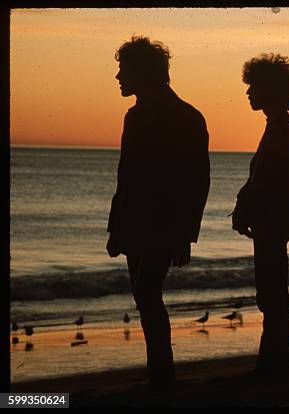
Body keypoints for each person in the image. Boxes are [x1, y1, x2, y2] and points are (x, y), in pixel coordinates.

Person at [106, 36, 210, 388]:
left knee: (147, 292)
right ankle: (159, 370)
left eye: (124, 71)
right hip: (138, 221)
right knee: (144, 294)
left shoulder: (184, 116)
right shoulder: (137, 115)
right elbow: (127, 175)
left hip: (160, 223)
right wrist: (116, 227)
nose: (119, 77)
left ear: (143, 73)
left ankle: (162, 373)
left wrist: (184, 233)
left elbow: (196, 181)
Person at [231, 53, 289, 376]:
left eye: (254, 86)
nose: (248, 93)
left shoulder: (281, 130)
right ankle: (274, 359)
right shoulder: (278, 127)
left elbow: (267, 180)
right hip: (271, 221)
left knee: (271, 293)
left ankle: (276, 361)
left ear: (269, 89)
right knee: (272, 292)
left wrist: (244, 206)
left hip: (271, 222)